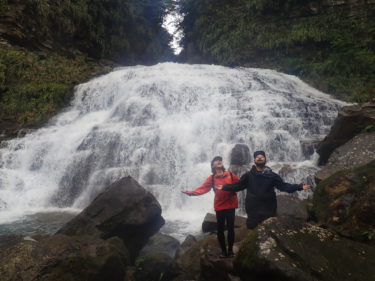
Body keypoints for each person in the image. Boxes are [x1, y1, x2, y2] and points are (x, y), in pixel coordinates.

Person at [216, 151, 311, 229]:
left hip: (268, 210)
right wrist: (225, 187)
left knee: (270, 230)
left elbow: (284, 186)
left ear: (265, 159)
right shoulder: (248, 176)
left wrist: (299, 187)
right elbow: (238, 186)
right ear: (254, 160)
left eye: (262, 157)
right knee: (252, 231)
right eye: (257, 157)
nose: (260, 158)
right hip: (253, 211)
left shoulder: (273, 176)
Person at [181, 156, 240, 258]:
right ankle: (223, 251)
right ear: (212, 165)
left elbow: (240, 184)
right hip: (220, 206)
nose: (219, 161)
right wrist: (191, 193)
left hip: (231, 205)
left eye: (220, 160)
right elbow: (202, 189)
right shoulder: (212, 178)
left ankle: (230, 251)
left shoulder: (230, 175)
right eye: (216, 161)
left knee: (231, 228)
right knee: (220, 229)